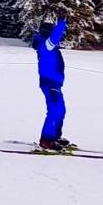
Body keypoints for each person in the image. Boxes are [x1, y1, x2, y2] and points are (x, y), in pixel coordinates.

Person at [31, 20, 70, 150]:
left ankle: (55, 136)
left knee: (61, 110)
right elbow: (55, 37)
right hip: (50, 83)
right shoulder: (46, 44)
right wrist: (62, 22)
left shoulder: (47, 46)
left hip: (55, 83)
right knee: (54, 110)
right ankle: (46, 140)